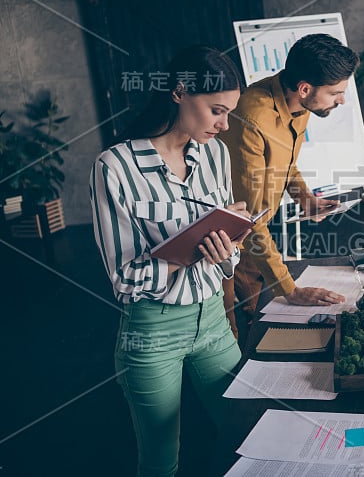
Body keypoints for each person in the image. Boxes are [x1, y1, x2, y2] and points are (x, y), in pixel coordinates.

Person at [90, 45, 247, 476]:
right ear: (179, 93)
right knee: (161, 459)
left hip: (214, 323)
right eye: (216, 110)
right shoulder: (115, 166)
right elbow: (123, 279)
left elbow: (226, 257)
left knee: (245, 435)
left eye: (229, 112)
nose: (224, 124)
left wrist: (229, 248)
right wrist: (193, 251)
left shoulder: (215, 154)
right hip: (152, 332)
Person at [219, 33, 359, 337]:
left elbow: (285, 163)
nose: (341, 100)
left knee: (265, 321)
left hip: (261, 235)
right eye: (335, 92)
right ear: (306, 88)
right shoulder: (253, 118)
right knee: (235, 335)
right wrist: (290, 289)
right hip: (231, 240)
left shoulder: (301, 104)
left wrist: (304, 197)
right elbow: (249, 219)